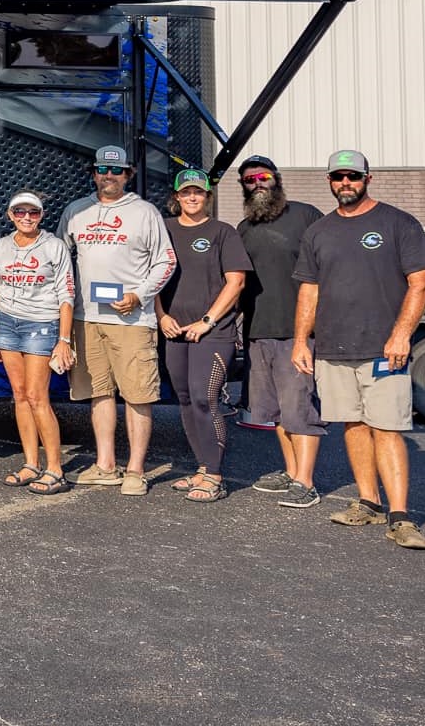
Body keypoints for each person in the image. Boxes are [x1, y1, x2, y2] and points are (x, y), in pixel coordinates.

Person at [291, 149, 425, 549]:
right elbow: (309, 290)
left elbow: (419, 283)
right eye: (338, 176)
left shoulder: (398, 224)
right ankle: (368, 502)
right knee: (353, 425)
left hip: (385, 348)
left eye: (352, 175)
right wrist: (301, 340)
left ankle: (400, 517)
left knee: (387, 428)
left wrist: (401, 334)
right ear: (329, 181)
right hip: (333, 347)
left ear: (368, 178)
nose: (345, 183)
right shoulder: (319, 231)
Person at [58, 144, 173, 496]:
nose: (109, 177)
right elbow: (61, 259)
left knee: (138, 395)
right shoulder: (77, 211)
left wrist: (139, 295)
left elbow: (166, 262)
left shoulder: (145, 213)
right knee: (99, 392)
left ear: (128, 175)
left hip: (132, 321)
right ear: (94, 173)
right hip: (86, 318)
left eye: (116, 171)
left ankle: (136, 470)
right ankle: (105, 465)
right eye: (103, 171)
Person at [232, 155, 327, 507]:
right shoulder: (244, 228)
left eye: (263, 176)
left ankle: (307, 482)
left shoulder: (306, 216)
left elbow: (327, 269)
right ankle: (291, 472)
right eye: (249, 179)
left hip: (297, 333)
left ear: (277, 179)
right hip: (258, 332)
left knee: (299, 407)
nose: (257, 182)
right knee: (275, 412)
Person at [155, 168, 252, 504]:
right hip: (174, 331)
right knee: (183, 399)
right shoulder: (164, 230)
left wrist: (207, 320)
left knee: (204, 398)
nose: (192, 198)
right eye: (186, 193)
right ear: (177, 197)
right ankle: (200, 467)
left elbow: (236, 282)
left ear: (207, 197)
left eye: (198, 193)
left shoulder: (223, 232)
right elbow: (150, 276)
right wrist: (161, 316)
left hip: (213, 333)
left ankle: (214, 475)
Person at [0, 190, 75, 495]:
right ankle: (30, 464)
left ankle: (55, 470)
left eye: (33, 213)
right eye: (20, 212)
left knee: (38, 397)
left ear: (41, 215)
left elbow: (66, 296)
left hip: (42, 325)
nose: (26, 218)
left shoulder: (54, 246)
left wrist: (63, 340)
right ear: (10, 215)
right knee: (20, 395)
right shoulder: (2, 246)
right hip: (8, 325)